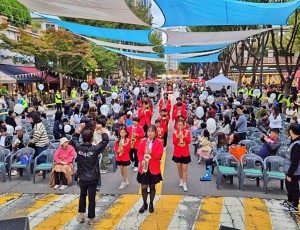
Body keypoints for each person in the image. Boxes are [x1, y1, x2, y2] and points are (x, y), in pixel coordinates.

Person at [70, 123, 109, 225]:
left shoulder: (78, 147)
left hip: (82, 177)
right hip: (93, 178)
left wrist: (80, 128)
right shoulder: (95, 149)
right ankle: (91, 218)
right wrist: (102, 129)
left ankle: (81, 215)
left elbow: (73, 138)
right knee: (92, 198)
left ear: (82, 138)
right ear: (92, 139)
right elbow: (105, 140)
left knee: (82, 195)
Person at [137, 125, 163, 214]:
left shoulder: (159, 142)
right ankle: (144, 203)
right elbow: (139, 153)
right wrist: (142, 160)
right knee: (143, 187)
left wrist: (152, 152)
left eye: (152, 131)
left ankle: (151, 203)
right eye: (148, 131)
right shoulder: (142, 141)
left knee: (152, 186)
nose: (150, 133)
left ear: (155, 132)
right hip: (144, 167)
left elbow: (160, 155)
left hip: (153, 167)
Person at [282, 124, 300, 212]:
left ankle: (295, 205)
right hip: (290, 170)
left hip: (293, 172)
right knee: (289, 187)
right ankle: (290, 201)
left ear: (292, 132)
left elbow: (295, 161)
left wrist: (290, 174)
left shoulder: (297, 145)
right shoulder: (294, 141)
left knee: (294, 188)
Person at [172, 120, 191, 192]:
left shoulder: (187, 132)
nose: (180, 127)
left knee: (184, 169)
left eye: (181, 125)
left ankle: (185, 183)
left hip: (185, 152)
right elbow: (174, 142)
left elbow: (189, 141)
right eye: (178, 125)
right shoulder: (174, 133)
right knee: (179, 168)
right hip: (177, 152)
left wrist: (184, 137)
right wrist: (178, 137)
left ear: (184, 125)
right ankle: (181, 179)